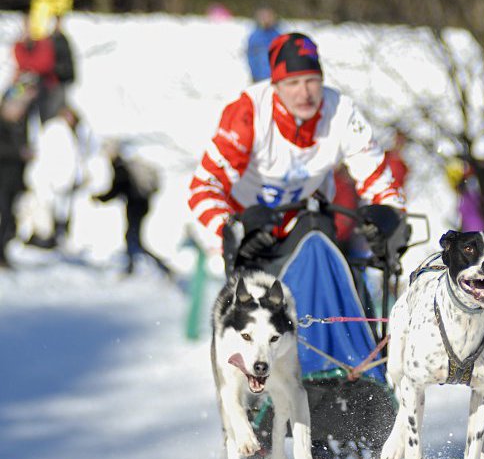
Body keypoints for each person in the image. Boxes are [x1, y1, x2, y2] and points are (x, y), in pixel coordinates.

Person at [188, 31, 406, 269]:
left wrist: (390, 216)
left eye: (311, 80)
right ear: (276, 86)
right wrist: (230, 228)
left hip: (304, 225)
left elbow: (379, 179)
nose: (304, 93)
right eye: (293, 83)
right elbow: (203, 187)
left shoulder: (341, 112)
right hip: (248, 229)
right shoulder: (248, 113)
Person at [94, 146, 171, 276]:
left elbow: (117, 188)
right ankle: (134, 266)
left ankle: (156, 267)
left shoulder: (120, 168)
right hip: (141, 204)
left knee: (133, 238)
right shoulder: (125, 166)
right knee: (133, 237)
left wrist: (100, 198)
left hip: (135, 206)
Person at [23, 105, 85, 249]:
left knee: (55, 213)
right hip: (50, 181)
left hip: (58, 182)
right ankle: (41, 240)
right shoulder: (56, 130)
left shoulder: (67, 132)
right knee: (43, 213)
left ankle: (51, 240)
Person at [0, 82, 37, 269]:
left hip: (15, 181)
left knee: (10, 220)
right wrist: (18, 152)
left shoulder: (20, 126)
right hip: (2, 181)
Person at [246, 6, 282, 83]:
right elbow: (251, 57)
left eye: (268, 16)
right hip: (258, 78)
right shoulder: (254, 37)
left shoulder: (278, 36)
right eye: (263, 17)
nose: (266, 20)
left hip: (275, 77)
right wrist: (254, 75)